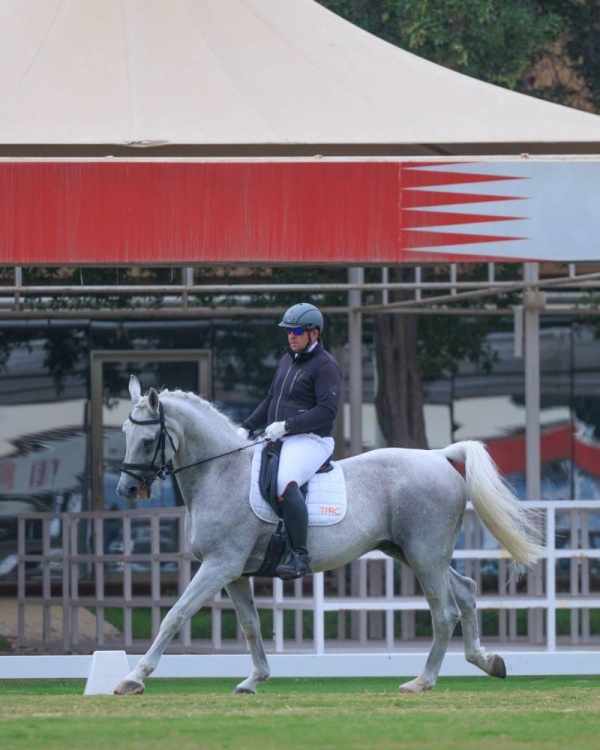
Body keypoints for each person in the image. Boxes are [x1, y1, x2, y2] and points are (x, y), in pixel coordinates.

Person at [237, 302, 342, 580]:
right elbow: (271, 399)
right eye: (288, 331)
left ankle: (299, 556)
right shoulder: (287, 360)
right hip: (282, 436)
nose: (291, 336)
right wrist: (246, 427)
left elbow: (328, 411)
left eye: (297, 331)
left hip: (311, 440)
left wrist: (287, 426)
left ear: (314, 334)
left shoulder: (325, 365)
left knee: (285, 482)